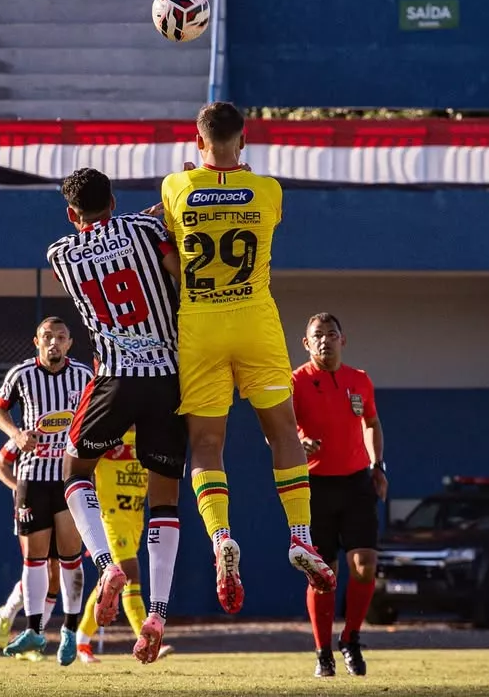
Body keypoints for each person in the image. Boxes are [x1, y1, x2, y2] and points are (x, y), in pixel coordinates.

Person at [158, 101, 335, 615]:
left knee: (207, 445)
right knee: (282, 432)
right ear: (244, 138)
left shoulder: (175, 188)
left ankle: (221, 539)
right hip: (255, 320)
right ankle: (300, 537)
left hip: (202, 324)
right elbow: (246, 189)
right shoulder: (269, 191)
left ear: (197, 141)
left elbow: (174, 233)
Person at [47, 167, 187, 664]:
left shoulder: (61, 256)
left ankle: (106, 563)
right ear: (115, 198)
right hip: (170, 375)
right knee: (165, 497)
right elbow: (178, 271)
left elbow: (103, 240)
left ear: (70, 213)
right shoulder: (147, 233)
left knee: (73, 470)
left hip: (115, 376)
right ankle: (158, 614)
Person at [0, 317, 93, 666]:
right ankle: (34, 630)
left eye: (60, 338)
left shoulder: (84, 375)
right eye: (47, 337)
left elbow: (101, 410)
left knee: (69, 556)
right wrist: (17, 435)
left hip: (70, 478)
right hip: (33, 478)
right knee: (35, 559)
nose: (54, 343)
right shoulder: (21, 375)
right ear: (36, 341)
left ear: (69, 343)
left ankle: (70, 629)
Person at [291, 313, 386, 678]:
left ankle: (351, 638)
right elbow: (278, 432)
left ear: (343, 340)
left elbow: (372, 423)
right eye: (318, 335)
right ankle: (323, 652)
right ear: (306, 343)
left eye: (332, 334)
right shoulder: (296, 382)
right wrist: (299, 442)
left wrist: (378, 466)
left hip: (356, 483)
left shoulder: (359, 380)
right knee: (322, 574)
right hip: (315, 487)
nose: (325, 341)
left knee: (365, 567)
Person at [75, 427, 173, 663]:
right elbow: (79, 466)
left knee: (110, 584)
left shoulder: (148, 438)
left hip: (135, 517)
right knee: (130, 574)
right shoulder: (106, 437)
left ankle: (81, 640)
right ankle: (147, 638)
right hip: (110, 518)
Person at [0, 437, 62, 661]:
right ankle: (8, 612)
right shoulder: (26, 434)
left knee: (55, 575)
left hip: (60, 507)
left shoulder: (67, 430)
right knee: (37, 566)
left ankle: (35, 637)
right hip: (31, 509)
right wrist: (21, 487)